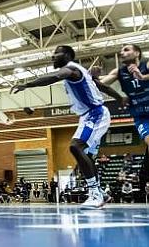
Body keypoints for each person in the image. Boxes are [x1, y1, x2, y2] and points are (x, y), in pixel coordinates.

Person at [11, 45, 124, 209]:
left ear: (68, 55)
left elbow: (54, 77)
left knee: (75, 147)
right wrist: (119, 98)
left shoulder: (70, 69)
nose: (53, 56)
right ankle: (99, 192)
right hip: (87, 116)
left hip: (95, 114)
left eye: (57, 53)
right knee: (85, 155)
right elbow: (102, 87)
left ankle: (96, 194)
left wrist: (27, 85)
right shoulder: (81, 71)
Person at [91, 44, 149, 164]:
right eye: (121, 51)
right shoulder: (119, 72)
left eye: (126, 50)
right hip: (141, 116)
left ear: (137, 53)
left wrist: (142, 77)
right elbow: (98, 86)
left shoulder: (146, 65)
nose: (122, 53)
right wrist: (93, 77)